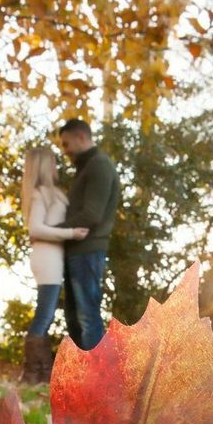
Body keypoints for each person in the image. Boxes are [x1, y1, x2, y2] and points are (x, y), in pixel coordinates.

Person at [20, 146, 89, 383]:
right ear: (43, 166)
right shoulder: (41, 193)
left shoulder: (52, 193)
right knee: (45, 314)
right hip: (46, 258)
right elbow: (35, 228)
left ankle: (39, 372)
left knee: (45, 313)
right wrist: (71, 233)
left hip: (52, 257)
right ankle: (33, 372)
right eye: (52, 162)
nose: (55, 166)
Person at [56, 119, 120, 350]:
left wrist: (53, 231)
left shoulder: (99, 165)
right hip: (76, 252)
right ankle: (84, 380)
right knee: (74, 319)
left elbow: (92, 214)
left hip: (87, 252)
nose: (65, 151)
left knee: (87, 317)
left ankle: (101, 378)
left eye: (66, 144)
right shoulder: (86, 168)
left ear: (81, 137)